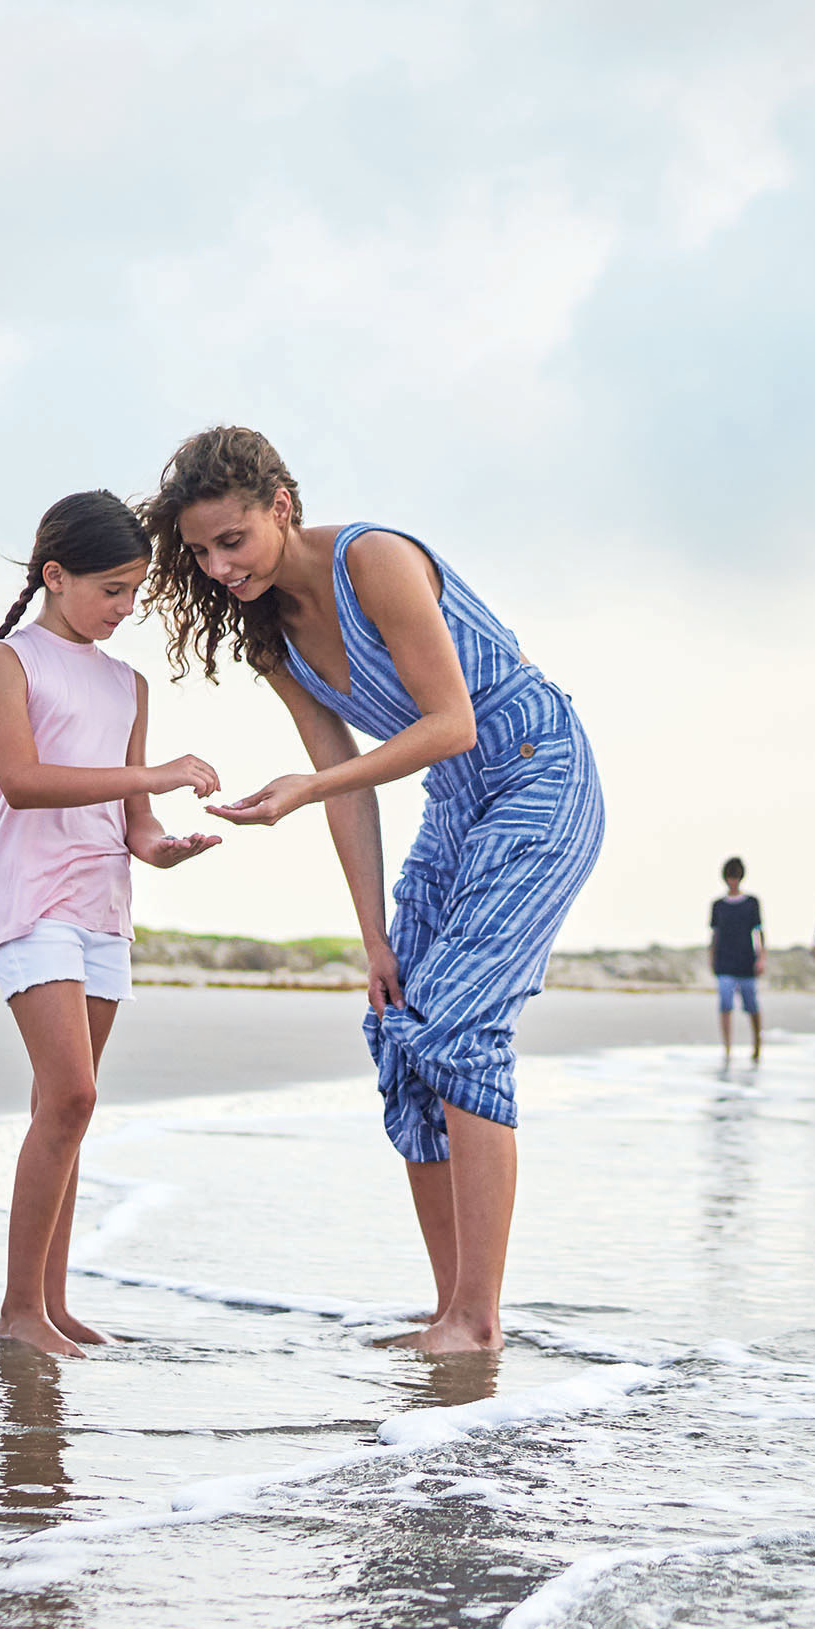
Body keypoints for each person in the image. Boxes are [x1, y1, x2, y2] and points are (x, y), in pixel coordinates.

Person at [145, 424, 604, 1356]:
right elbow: (342, 786)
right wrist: (374, 940)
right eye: (199, 552)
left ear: (282, 506)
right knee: (399, 1026)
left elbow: (450, 723)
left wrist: (313, 785)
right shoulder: (269, 632)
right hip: (459, 800)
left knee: (460, 1024)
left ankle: (478, 1320)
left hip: (539, 771)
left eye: (232, 541)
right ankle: (450, 1311)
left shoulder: (376, 561)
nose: (219, 567)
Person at [0, 490, 225, 1356]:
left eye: (134, 593)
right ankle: (17, 1311)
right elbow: (25, 781)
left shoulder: (129, 685)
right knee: (72, 1095)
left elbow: (133, 829)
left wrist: (161, 846)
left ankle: (53, 1303)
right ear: (55, 575)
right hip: (30, 898)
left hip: (102, 909)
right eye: (111, 590)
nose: (124, 609)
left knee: (62, 1110)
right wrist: (149, 777)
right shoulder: (9, 661)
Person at [708, 857, 766, 1062]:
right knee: (725, 1006)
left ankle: (757, 1045)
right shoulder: (718, 906)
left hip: (746, 961)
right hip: (725, 961)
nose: (732, 880)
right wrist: (711, 958)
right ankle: (727, 1048)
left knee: (751, 1006)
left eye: (735, 876)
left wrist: (761, 958)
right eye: (730, 876)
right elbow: (714, 935)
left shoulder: (751, 903)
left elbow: (758, 932)